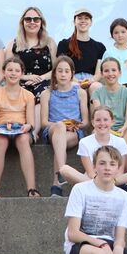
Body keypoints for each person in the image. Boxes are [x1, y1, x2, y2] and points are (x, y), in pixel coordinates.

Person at [60, 106, 127, 194]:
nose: (102, 123)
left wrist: (109, 181)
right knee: (64, 169)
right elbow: (90, 172)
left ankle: (104, 187)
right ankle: (100, 187)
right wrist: (100, 181)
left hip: (115, 179)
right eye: (98, 120)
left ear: (112, 122)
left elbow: (119, 171)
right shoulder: (84, 142)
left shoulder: (120, 141)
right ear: (93, 122)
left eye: (105, 120)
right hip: (94, 179)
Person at [0, 57, 38, 198]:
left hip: (21, 129)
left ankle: (31, 188)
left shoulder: (28, 95)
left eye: (17, 70)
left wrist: (26, 127)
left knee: (23, 140)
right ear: (3, 72)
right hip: (1, 128)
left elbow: (31, 123)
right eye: (9, 70)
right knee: (0, 141)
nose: (13, 73)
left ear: (22, 73)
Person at [40, 56, 89, 197]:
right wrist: (61, 125)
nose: (63, 74)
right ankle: (62, 170)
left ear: (72, 73)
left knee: (60, 141)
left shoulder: (80, 92)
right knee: (60, 128)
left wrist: (73, 125)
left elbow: (86, 122)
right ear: (54, 73)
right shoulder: (46, 93)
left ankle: (56, 185)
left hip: (73, 132)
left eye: (66, 71)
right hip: (52, 129)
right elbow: (44, 122)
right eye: (60, 71)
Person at [5, 6, 56, 99]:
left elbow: (56, 69)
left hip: (45, 83)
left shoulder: (50, 43)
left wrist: (40, 78)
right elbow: (7, 71)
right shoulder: (13, 44)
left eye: (36, 19)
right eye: (28, 19)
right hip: (20, 83)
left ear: (41, 22)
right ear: (22, 22)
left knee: (43, 96)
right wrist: (26, 77)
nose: (32, 22)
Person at [90, 57, 127, 142]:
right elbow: (99, 116)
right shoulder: (96, 93)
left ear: (120, 72)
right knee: (95, 136)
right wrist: (106, 130)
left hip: (123, 129)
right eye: (106, 71)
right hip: (103, 127)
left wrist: (124, 128)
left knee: (122, 142)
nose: (110, 74)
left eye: (114, 70)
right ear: (102, 74)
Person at [57, 8, 106, 82]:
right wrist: (77, 82)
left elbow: (98, 73)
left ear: (91, 22)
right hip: (70, 80)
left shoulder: (100, 47)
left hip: (92, 81)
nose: (83, 21)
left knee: (96, 86)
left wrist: (90, 81)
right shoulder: (64, 44)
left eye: (86, 18)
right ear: (74, 22)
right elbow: (61, 68)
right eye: (79, 18)